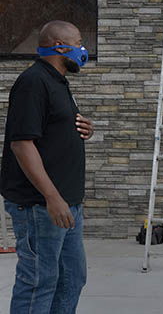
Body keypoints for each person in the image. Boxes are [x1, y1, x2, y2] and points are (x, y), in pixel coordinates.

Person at [0, 20, 94, 314]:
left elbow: (52, 129)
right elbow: (22, 143)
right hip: (40, 206)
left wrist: (82, 129)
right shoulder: (33, 83)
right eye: (78, 42)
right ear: (59, 46)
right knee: (39, 281)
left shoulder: (57, 82)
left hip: (67, 203)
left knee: (72, 278)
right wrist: (52, 197)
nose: (82, 49)